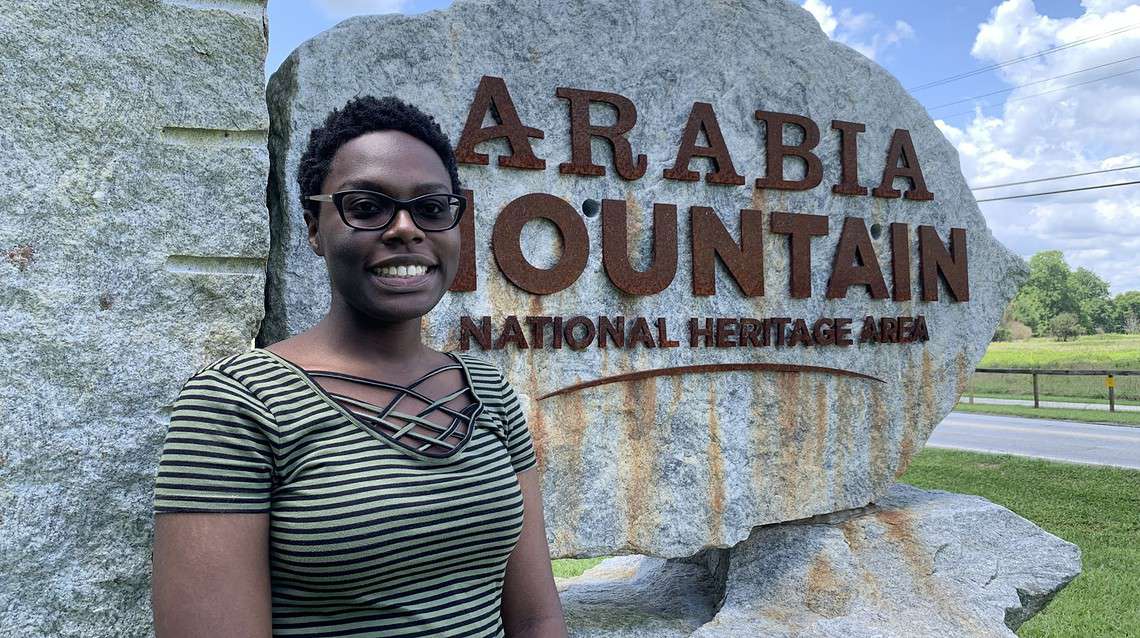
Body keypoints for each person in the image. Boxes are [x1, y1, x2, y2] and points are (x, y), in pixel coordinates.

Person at [151, 96, 568, 638]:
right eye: (367, 206)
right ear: (313, 228)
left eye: (433, 207)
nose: (405, 228)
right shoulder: (237, 405)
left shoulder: (487, 390)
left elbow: (537, 618)